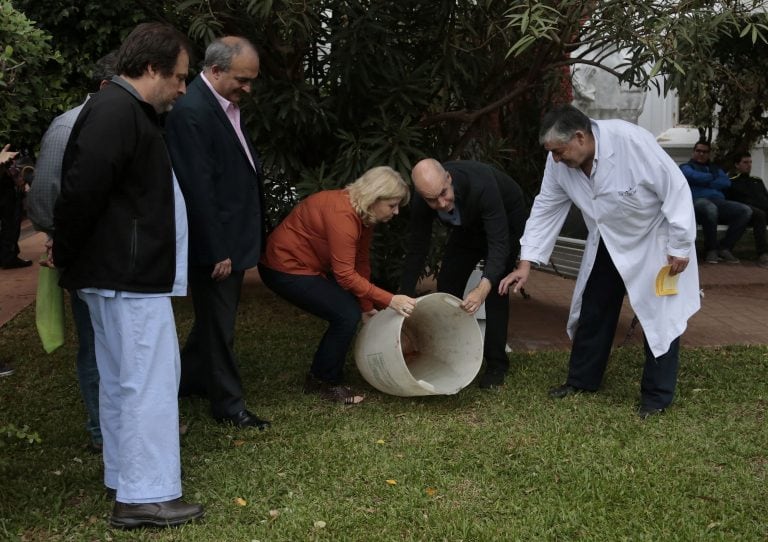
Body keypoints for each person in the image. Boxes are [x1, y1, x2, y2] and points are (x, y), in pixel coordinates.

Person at [53, 23, 203, 528]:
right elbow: (79, 193)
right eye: (180, 78)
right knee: (149, 382)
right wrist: (70, 259)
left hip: (122, 273)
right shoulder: (117, 111)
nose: (183, 89)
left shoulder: (120, 110)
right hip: (125, 275)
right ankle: (145, 496)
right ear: (153, 68)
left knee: (124, 381)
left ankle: (128, 480)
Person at [499, 104, 701, 419]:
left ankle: (656, 398)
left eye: (559, 151)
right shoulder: (560, 162)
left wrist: (680, 245)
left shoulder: (631, 141)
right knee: (594, 308)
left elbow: (675, 189)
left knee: (659, 318)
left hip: (654, 241)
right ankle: (582, 381)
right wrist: (526, 261)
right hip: (607, 239)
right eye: (551, 153)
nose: (555, 159)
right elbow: (547, 205)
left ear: (580, 137)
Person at [166, 36, 269, 430]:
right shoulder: (192, 111)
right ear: (215, 70)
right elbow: (197, 188)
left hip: (232, 235)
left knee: (213, 319)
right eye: (242, 79)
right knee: (219, 325)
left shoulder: (221, 105)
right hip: (216, 243)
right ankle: (228, 405)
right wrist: (216, 248)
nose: (248, 88)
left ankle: (189, 379)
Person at [258, 166, 416, 403]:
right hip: (283, 267)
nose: (395, 212)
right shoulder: (343, 215)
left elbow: (360, 263)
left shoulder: (364, 214)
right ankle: (323, 382)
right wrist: (390, 300)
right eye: (392, 205)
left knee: (349, 312)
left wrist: (367, 307)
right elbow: (344, 275)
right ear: (374, 198)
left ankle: (325, 375)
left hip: (306, 267)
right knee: (344, 314)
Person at [27, 52, 117, 453]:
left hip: (117, 258)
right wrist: (59, 240)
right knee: (96, 344)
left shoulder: (118, 123)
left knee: (116, 342)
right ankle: (102, 430)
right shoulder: (68, 127)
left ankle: (118, 424)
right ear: (104, 87)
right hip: (85, 258)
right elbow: (45, 199)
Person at [399, 159, 527, 389]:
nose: (441, 203)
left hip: (505, 218)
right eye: (431, 200)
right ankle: (449, 351)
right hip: (466, 225)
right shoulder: (425, 197)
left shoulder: (481, 185)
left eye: (443, 193)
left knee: (497, 288)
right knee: (448, 281)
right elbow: (417, 249)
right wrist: (403, 298)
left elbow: (498, 244)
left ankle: (497, 364)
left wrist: (482, 288)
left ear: (449, 178)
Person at [680, 141, 751, 264]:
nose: (701, 154)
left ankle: (724, 247)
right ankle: (711, 250)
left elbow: (726, 182)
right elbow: (691, 176)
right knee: (710, 208)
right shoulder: (685, 167)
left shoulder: (715, 168)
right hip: (697, 202)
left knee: (745, 211)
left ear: (709, 154)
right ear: (693, 152)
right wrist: (712, 178)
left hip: (719, 201)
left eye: (705, 152)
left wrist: (702, 180)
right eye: (698, 151)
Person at [728, 152, 768, 268]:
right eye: (745, 162)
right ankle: (763, 254)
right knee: (760, 215)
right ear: (737, 165)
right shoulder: (732, 181)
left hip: (763, 209)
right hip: (748, 213)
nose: (749, 165)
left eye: (750, 162)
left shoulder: (757, 180)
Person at [0, 142, 31, 270]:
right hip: (5, 191)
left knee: (7, 224)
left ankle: (6, 255)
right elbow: (7, 164)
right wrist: (20, 181)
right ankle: (9, 257)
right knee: (10, 224)